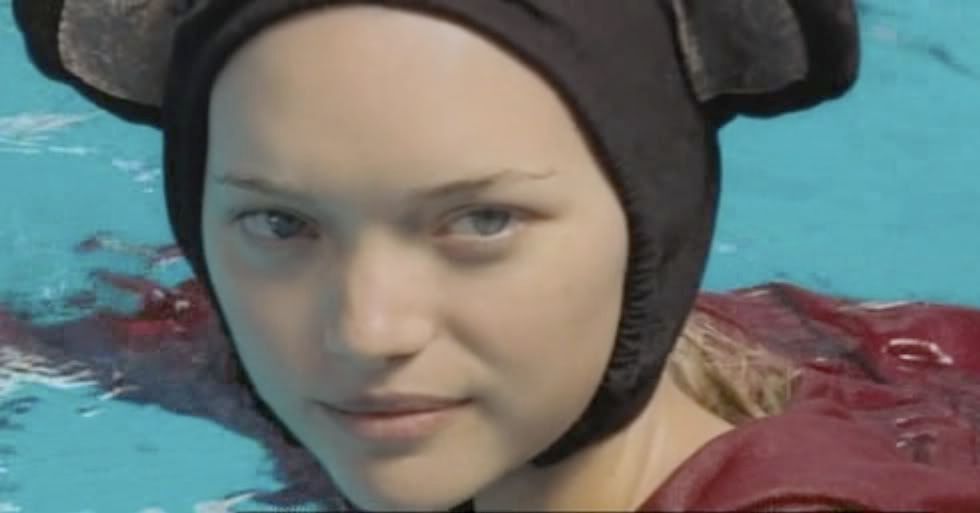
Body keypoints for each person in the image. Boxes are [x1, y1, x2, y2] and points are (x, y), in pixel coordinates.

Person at [12, 1, 980, 511]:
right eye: (281, 224)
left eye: (480, 223)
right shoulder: (389, 390)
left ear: (649, 232)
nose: (366, 331)